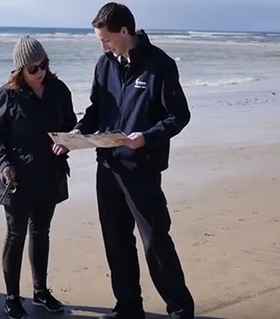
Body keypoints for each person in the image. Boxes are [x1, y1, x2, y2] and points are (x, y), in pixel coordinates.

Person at [72, 3, 195, 319]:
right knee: (116, 240)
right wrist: (75, 135)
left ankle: (180, 309)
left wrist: (147, 137)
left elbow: (178, 116)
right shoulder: (104, 65)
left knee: (155, 240)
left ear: (124, 32)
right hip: (108, 167)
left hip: (142, 168)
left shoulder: (160, 65)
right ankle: (128, 307)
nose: (103, 46)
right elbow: (96, 111)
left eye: (107, 39)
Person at [0, 35, 77, 319]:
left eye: (44, 65)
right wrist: (4, 165)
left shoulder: (59, 90)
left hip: (50, 173)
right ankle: (12, 297)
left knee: (41, 233)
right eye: (33, 68)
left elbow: (71, 123)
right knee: (16, 235)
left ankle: (40, 292)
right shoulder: (8, 94)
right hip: (17, 179)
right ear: (20, 70)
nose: (41, 72)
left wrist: (70, 139)